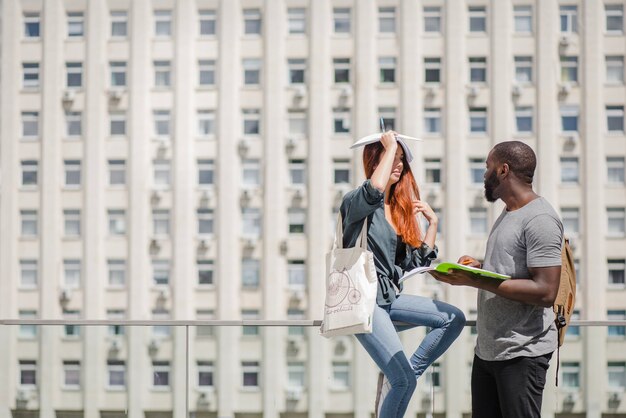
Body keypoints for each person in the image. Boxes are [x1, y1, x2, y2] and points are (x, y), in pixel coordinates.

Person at [430, 141, 563, 418]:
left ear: (503, 170)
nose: (483, 174)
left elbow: (546, 290)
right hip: (489, 352)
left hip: (522, 353)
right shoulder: (509, 212)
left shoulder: (540, 218)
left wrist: (474, 280)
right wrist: (480, 267)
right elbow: (515, 270)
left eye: (487, 167)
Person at [340, 131, 465, 418]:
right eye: (391, 158)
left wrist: (432, 224)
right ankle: (404, 376)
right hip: (365, 302)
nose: (398, 164)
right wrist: (391, 145)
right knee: (402, 381)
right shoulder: (355, 203)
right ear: (376, 160)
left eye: (401, 160)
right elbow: (373, 191)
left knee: (453, 318)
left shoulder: (395, 212)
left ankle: (410, 371)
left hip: (389, 299)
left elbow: (415, 262)